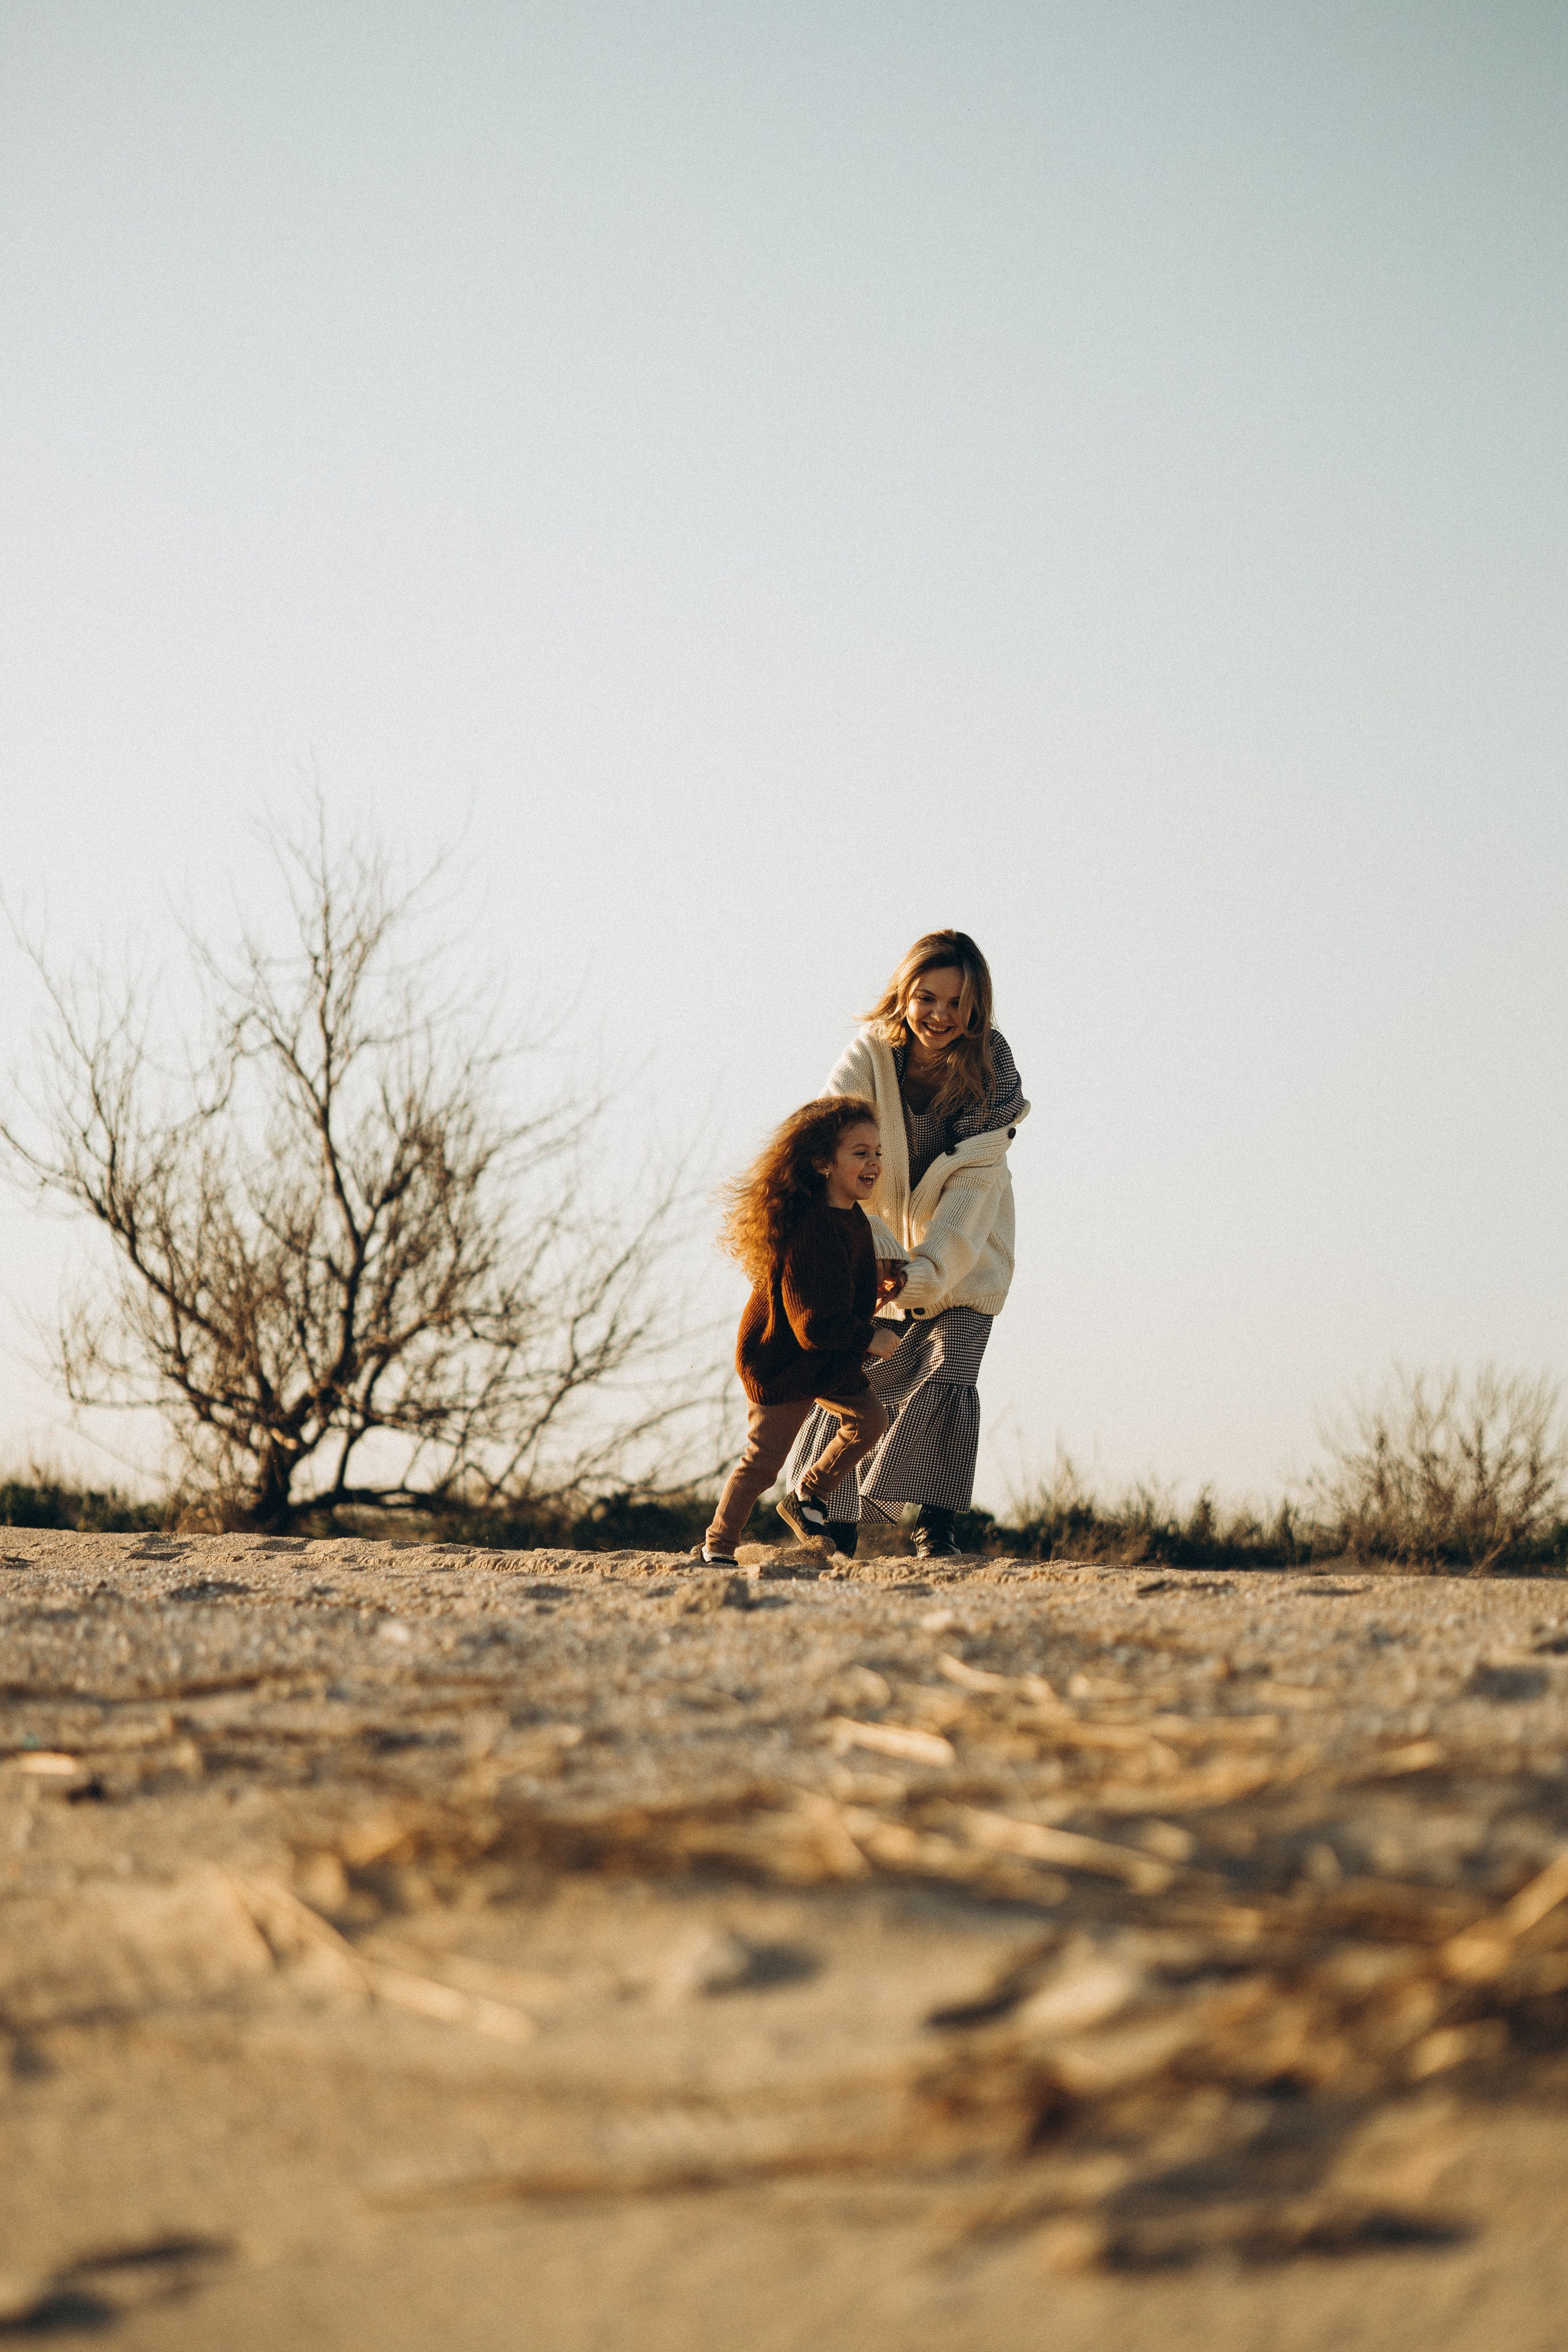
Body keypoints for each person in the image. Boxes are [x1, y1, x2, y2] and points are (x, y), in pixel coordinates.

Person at [785, 930, 1027, 1560]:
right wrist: (882, 1253)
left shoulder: (993, 1079)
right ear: (905, 994)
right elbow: (833, 1150)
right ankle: (829, 1523)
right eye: (927, 997)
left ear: (976, 1007)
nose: (940, 1015)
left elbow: (974, 1195)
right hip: (871, 1240)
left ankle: (935, 1529)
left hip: (968, 1250)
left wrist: (923, 1272)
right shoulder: (867, 1056)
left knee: (953, 1369)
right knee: (858, 1376)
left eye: (957, 1002)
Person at [700, 1096, 908, 1567]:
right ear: (821, 1162)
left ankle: (807, 1494)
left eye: (878, 1152)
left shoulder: (852, 1218)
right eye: (860, 1153)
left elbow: (840, 1292)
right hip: (784, 1362)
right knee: (762, 1464)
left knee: (869, 1419)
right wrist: (869, 1338)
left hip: (826, 1359)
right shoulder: (810, 1226)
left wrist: (881, 1284)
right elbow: (813, 1322)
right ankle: (718, 1545)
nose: (874, 1163)